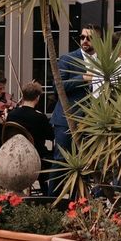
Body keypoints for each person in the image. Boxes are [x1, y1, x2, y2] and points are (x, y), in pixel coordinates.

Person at [50, 25, 99, 192]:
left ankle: (82, 206)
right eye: (82, 37)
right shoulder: (68, 59)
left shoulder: (103, 61)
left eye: (89, 38)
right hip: (67, 119)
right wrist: (82, 78)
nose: (84, 40)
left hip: (93, 121)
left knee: (89, 164)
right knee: (61, 163)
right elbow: (57, 87)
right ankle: (52, 204)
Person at [5, 81, 54, 164]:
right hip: (35, 153)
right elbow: (51, 136)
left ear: (23, 97)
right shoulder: (40, 117)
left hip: (14, 153)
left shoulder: (11, 114)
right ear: (37, 97)